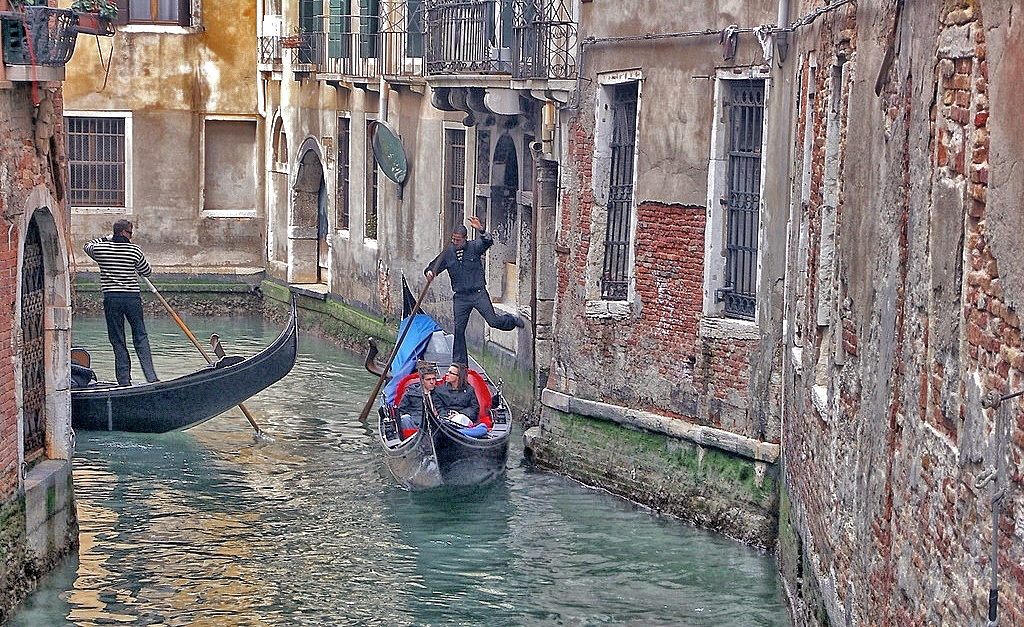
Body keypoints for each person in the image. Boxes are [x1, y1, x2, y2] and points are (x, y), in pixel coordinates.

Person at [425, 215, 524, 366]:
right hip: (461, 297)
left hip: (478, 293)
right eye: (454, 239)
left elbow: (488, 241)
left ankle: (511, 320)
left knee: (493, 321)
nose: (455, 242)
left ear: (465, 238)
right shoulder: (448, 253)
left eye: (458, 240)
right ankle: (459, 364)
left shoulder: (474, 247)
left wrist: (481, 229)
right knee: (458, 330)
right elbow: (433, 267)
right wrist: (430, 273)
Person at [84, 219, 159, 386]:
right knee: (140, 337)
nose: (131, 237)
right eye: (130, 233)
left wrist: (107, 238)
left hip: (112, 298)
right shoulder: (134, 250)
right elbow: (146, 271)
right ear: (124, 232)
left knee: (118, 339)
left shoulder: (100, 249)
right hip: (132, 298)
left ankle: (124, 380)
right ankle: (151, 377)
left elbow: (87, 245)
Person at [395, 360, 439, 438]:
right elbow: (401, 410)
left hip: (436, 423)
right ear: (422, 380)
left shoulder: (440, 393)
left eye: (434, 379)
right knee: (405, 418)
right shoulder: (411, 393)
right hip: (416, 423)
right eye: (428, 379)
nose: (432, 382)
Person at [433, 362, 481, 427]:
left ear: (458, 376)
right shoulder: (439, 390)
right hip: (446, 418)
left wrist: (459, 413)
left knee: (460, 418)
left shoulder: (469, 390)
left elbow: (474, 408)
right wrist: (449, 415)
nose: (447, 374)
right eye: (447, 372)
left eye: (451, 373)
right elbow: (439, 408)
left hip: (464, 418)